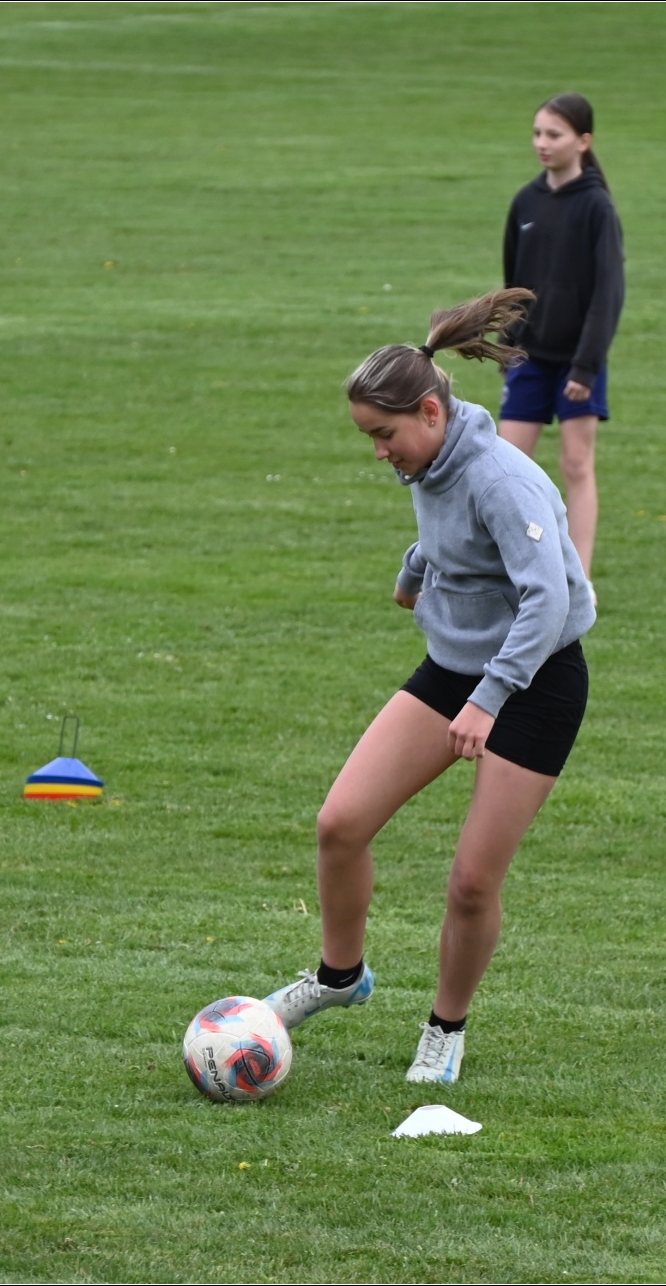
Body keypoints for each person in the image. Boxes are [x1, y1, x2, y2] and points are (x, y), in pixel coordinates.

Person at [262, 289, 596, 1085]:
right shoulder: (431, 459)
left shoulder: (500, 478)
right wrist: (415, 571)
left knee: (473, 882)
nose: (379, 453)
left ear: (431, 412)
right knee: (340, 823)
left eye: (384, 435)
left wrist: (490, 699)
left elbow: (548, 599)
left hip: (536, 680)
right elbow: (446, 533)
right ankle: (340, 975)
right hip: (453, 669)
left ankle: (446, 1029)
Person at [497, 93, 624, 596]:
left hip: (577, 364)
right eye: (537, 133)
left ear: (583, 141)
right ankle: (510, 573)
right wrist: (506, 348)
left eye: (554, 134)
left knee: (576, 464)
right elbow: (512, 286)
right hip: (528, 358)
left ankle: (579, 581)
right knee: (506, 468)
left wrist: (586, 366)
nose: (542, 143)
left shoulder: (596, 207)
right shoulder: (525, 202)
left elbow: (607, 292)